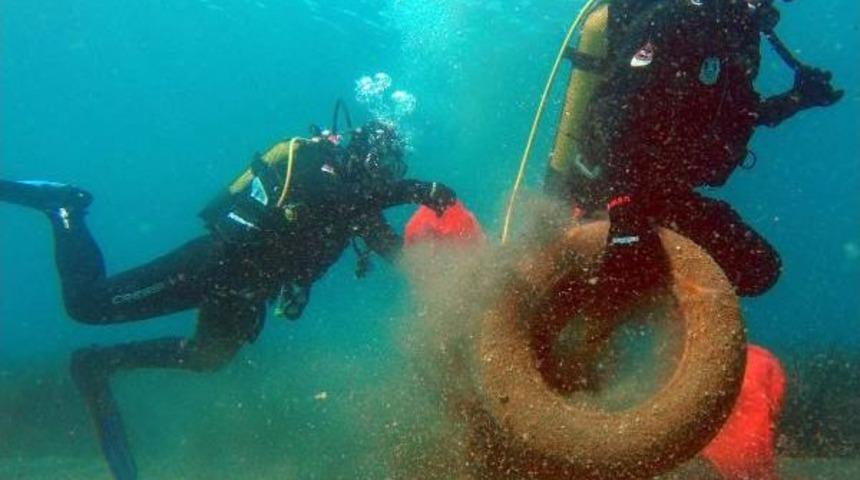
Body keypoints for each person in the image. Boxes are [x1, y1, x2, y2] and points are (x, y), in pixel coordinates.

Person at [0, 118, 457, 480]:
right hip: (212, 266)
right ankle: (65, 208)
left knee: (210, 356)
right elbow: (343, 198)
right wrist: (417, 189)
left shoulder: (359, 206)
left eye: (394, 169)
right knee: (87, 305)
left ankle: (100, 363)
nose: (388, 174)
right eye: (385, 165)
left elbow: (394, 254)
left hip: (245, 291)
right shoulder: (322, 166)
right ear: (365, 154)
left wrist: (454, 277)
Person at [544, 0, 843, 296]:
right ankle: (590, 289)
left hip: (663, 193)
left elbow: (738, 113)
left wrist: (797, 99)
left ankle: (632, 294)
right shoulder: (674, 16)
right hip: (609, 188)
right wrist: (625, 219)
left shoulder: (739, 37)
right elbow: (613, 113)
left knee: (757, 268)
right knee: (601, 274)